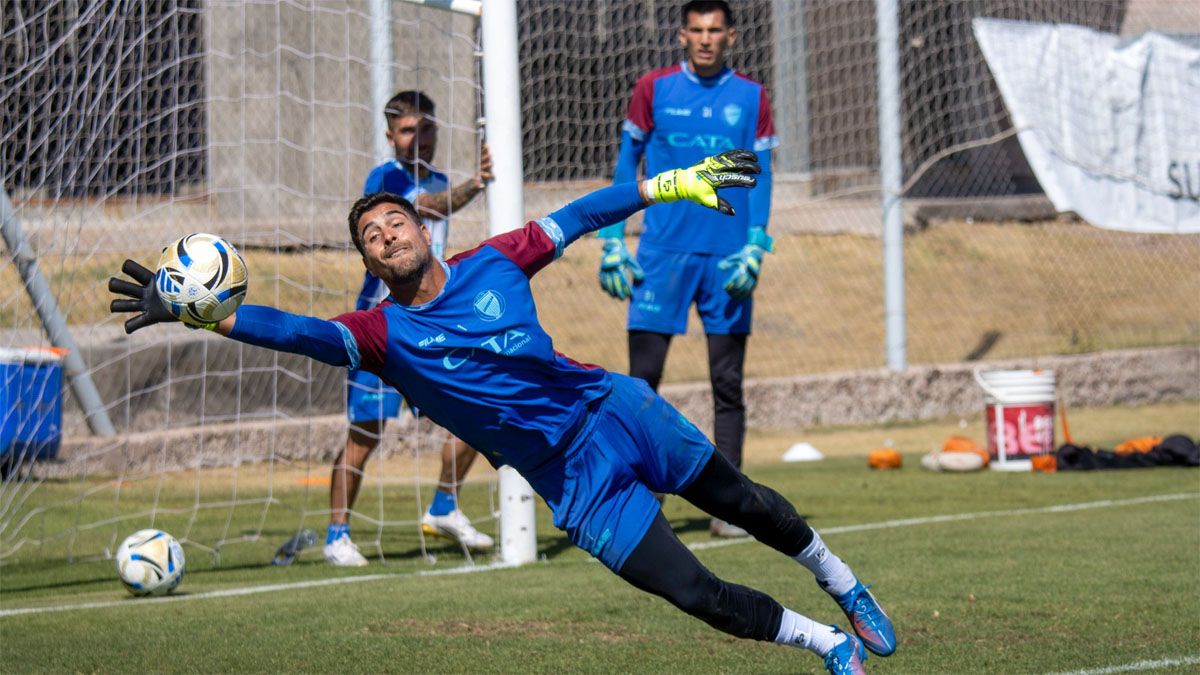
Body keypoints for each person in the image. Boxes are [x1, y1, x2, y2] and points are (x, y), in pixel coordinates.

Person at [109, 150, 894, 674]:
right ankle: (824, 642)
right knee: (693, 592)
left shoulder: (497, 259)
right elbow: (296, 332)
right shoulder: (380, 334)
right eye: (372, 238)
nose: (387, 237)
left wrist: (669, 184)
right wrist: (202, 313)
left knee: (745, 503)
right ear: (370, 265)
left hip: (615, 410)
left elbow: (583, 214)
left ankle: (842, 582)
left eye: (395, 223)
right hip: (574, 482)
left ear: (423, 228)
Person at [597, 0, 776, 538]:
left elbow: (761, 174)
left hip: (727, 260)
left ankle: (733, 509)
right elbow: (626, 162)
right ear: (681, 36)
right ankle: (638, 500)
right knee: (641, 384)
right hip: (661, 256)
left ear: (731, 37)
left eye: (714, 30)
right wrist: (612, 240)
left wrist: (755, 246)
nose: (705, 39)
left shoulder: (751, 97)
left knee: (727, 384)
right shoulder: (652, 88)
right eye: (696, 30)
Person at [330, 90, 495, 567]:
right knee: (365, 435)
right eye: (407, 130)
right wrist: (478, 182)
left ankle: (444, 506)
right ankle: (337, 535)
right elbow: (428, 206)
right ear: (390, 136)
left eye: (425, 129)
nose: (418, 139)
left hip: (433, 323)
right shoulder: (384, 180)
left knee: (477, 408)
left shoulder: (439, 176)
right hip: (383, 328)